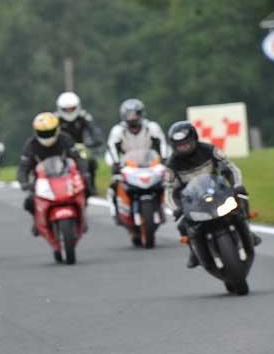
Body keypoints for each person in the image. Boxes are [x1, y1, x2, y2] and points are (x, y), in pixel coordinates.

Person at [164, 121, 260, 268]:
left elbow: (230, 167)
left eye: (186, 143)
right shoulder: (171, 165)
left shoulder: (210, 150)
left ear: (194, 139)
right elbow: (168, 189)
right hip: (192, 199)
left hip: (217, 191)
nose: (183, 147)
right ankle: (193, 250)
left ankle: (247, 230)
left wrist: (237, 185)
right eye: (179, 145)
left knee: (241, 200)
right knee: (182, 224)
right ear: (173, 146)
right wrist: (175, 208)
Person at [17, 112, 85, 233]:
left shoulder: (65, 139)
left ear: (56, 129)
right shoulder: (31, 145)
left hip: (65, 176)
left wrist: (84, 174)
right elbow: (23, 167)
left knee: (85, 189)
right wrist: (24, 182)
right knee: (29, 201)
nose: (47, 136)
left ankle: (82, 216)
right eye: (43, 133)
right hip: (41, 180)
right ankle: (37, 220)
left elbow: (77, 158)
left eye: (49, 132)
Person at [105, 99, 168, 218]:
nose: (132, 118)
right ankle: (116, 210)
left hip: (150, 164)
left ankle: (163, 206)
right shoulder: (118, 130)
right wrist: (116, 164)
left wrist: (164, 159)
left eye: (135, 114)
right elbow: (112, 147)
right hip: (128, 166)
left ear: (141, 114)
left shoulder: (151, 127)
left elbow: (162, 144)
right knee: (114, 183)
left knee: (167, 182)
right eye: (129, 115)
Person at [55, 91, 103, 194]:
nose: (69, 112)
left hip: (80, 148)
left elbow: (94, 130)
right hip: (60, 149)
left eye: (71, 108)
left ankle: (90, 186)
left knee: (91, 162)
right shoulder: (55, 119)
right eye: (65, 109)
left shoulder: (84, 116)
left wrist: (95, 140)